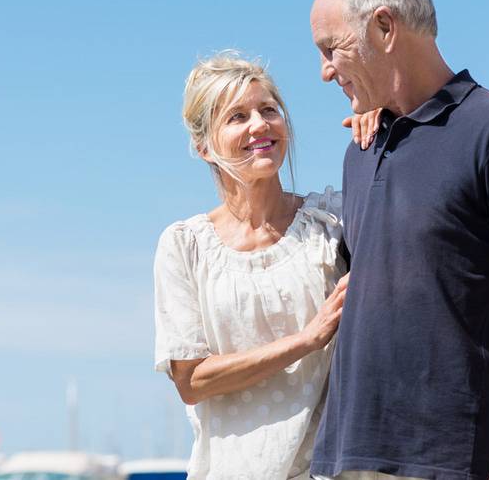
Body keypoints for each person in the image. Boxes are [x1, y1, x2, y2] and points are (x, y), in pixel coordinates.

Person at [308, 0, 489, 480]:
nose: (325, 71)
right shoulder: (361, 149)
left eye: (331, 48)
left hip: (456, 461)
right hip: (348, 460)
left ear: (383, 27)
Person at [153, 52, 372, 479]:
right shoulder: (184, 246)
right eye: (237, 117)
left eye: (268, 110)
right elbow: (192, 381)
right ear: (203, 147)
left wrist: (382, 124)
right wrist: (307, 340)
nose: (260, 125)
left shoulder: (332, 221)